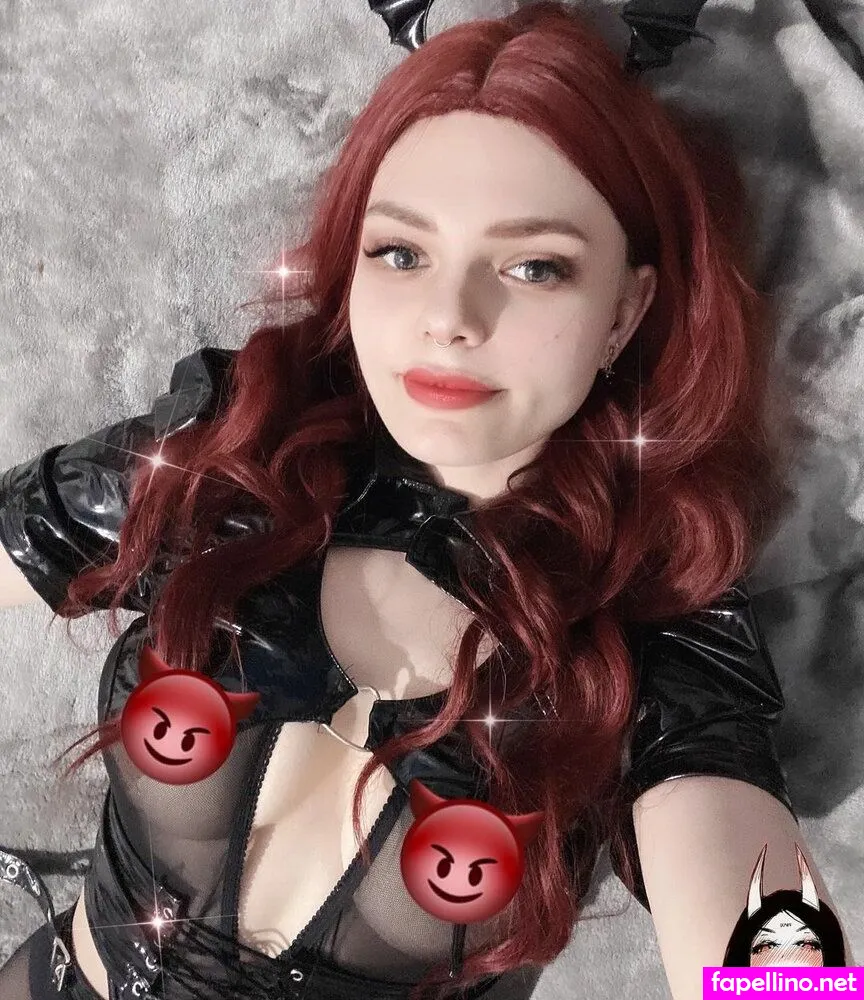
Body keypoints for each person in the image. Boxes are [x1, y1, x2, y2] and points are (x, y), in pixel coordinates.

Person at [0, 2, 850, 999]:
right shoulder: (230, 452)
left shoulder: (662, 621)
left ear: (625, 311)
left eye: (534, 266)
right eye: (401, 253)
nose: (449, 318)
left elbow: (757, 917)